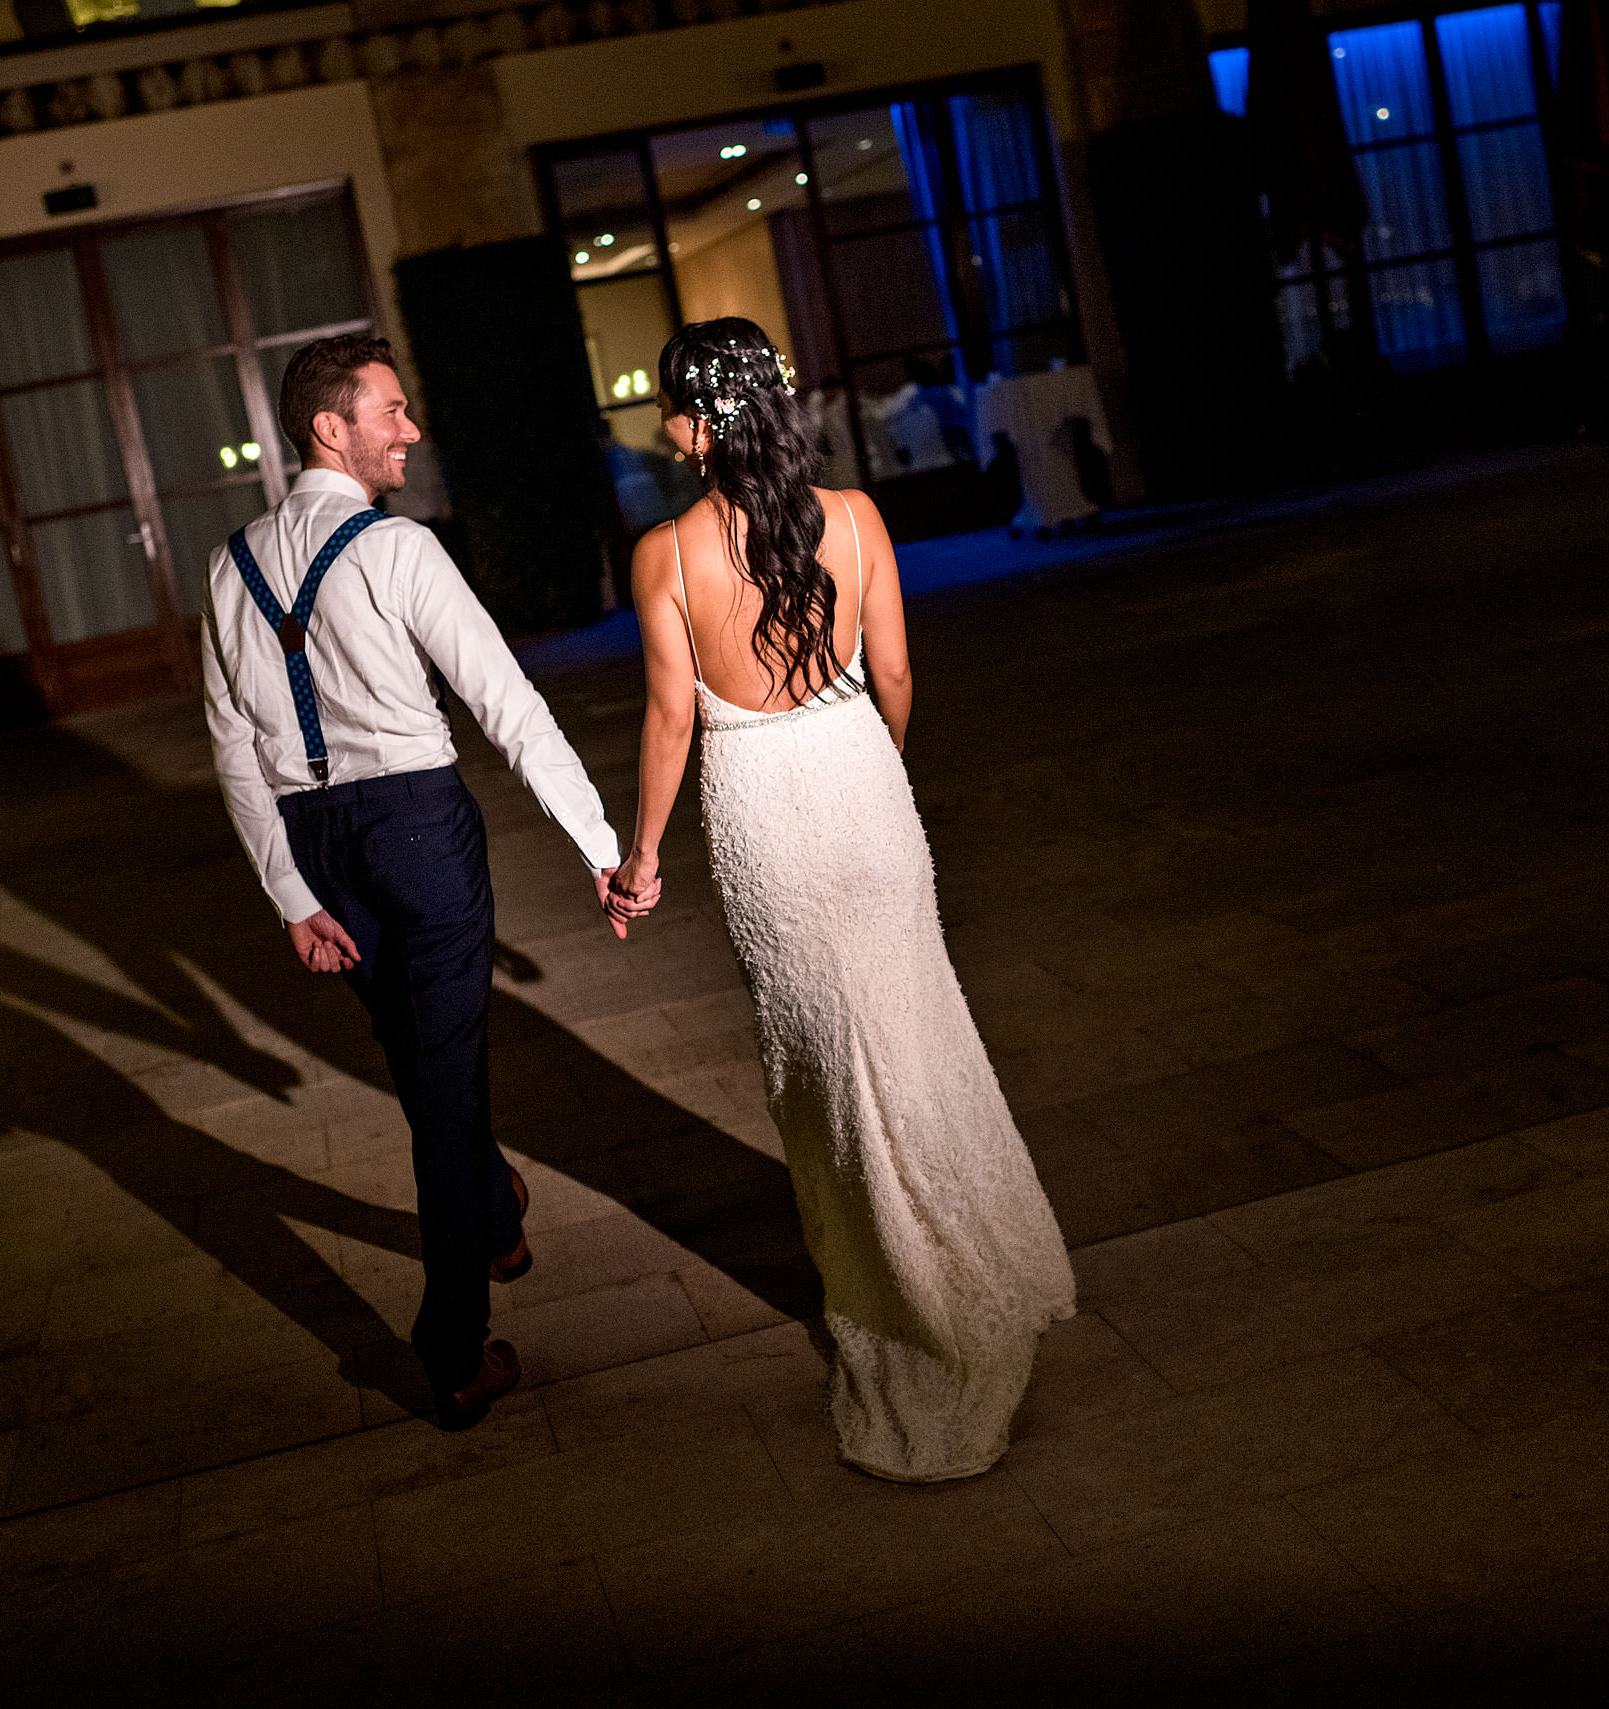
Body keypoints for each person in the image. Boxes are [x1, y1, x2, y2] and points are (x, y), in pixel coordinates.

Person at [605, 317, 1075, 1483]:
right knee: (912, 1032)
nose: (663, 427)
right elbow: (898, 674)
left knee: (820, 1060)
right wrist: (877, 775)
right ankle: (973, 1257)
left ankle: (899, 1286)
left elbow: (671, 720)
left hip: (764, 810)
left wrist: (642, 856)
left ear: (702, 421)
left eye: (670, 407)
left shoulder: (664, 554)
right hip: (862, 781)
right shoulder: (858, 519)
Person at [201, 333, 630, 1430]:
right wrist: (599, 841)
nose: (411, 428)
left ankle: (492, 1206)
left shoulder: (229, 563)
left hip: (318, 843)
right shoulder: (396, 549)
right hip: (416, 832)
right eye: (390, 410)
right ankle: (450, 1350)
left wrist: (293, 892)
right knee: (435, 1081)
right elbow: (506, 701)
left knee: (419, 1056)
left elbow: (235, 749)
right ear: (327, 428)